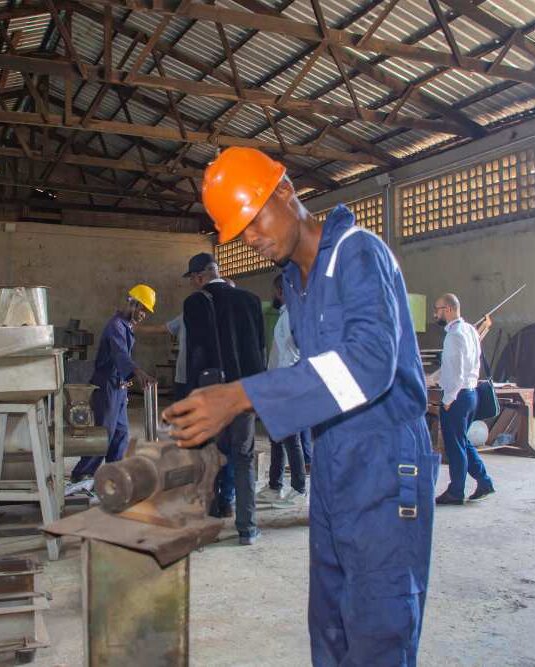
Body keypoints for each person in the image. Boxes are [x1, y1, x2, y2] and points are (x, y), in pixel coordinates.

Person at [164, 147, 438, 665]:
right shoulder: (295, 280)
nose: (252, 238)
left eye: (254, 221)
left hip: (384, 459)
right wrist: (234, 403)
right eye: (239, 233)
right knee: (331, 624)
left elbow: (370, 363)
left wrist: (244, 394)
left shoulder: (358, 253)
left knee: (378, 623)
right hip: (332, 460)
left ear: (285, 192)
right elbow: (317, 380)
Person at [182, 252, 265, 544]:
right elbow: (259, 353)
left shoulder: (195, 304)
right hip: (245, 394)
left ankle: (208, 520)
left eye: (193, 279)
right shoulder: (251, 301)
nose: (193, 285)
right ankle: (247, 529)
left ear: (200, 276)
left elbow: (196, 355)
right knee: (243, 458)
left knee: (208, 457)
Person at [71, 285, 156, 481]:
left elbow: (122, 360)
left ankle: (114, 472)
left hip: (118, 386)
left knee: (121, 433)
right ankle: (82, 474)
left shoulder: (126, 326)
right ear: (131, 302)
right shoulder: (115, 326)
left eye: (146, 311)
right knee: (104, 434)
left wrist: (126, 381)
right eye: (141, 308)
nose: (143, 314)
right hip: (106, 386)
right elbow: (121, 355)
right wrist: (138, 372)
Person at [433, 293, 495, 505]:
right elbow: (472, 364)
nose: (435, 313)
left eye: (438, 309)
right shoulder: (470, 330)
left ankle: (456, 491)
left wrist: (449, 398)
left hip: (457, 397)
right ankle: (484, 481)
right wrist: (433, 379)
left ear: (449, 309)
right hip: (471, 394)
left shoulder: (454, 335)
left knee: (455, 446)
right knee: (463, 442)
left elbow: (456, 371)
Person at [255, 273, 307, 509]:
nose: (273, 295)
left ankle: (299, 488)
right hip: (278, 383)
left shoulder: (293, 316)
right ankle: (275, 486)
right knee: (276, 437)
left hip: (288, 386)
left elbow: (295, 353)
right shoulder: (285, 315)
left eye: (275, 291)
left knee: (291, 439)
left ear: (282, 291)